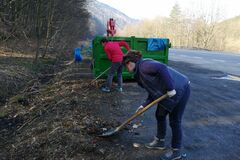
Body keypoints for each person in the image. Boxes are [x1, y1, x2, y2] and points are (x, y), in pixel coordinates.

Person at [122, 50, 190, 160]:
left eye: (126, 66)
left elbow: (162, 68)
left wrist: (170, 88)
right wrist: (144, 105)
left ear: (129, 63)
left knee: (175, 121)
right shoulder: (139, 73)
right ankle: (160, 141)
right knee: (160, 115)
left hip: (181, 88)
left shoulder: (144, 66)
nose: (126, 69)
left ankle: (176, 151)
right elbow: (153, 91)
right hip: (170, 92)